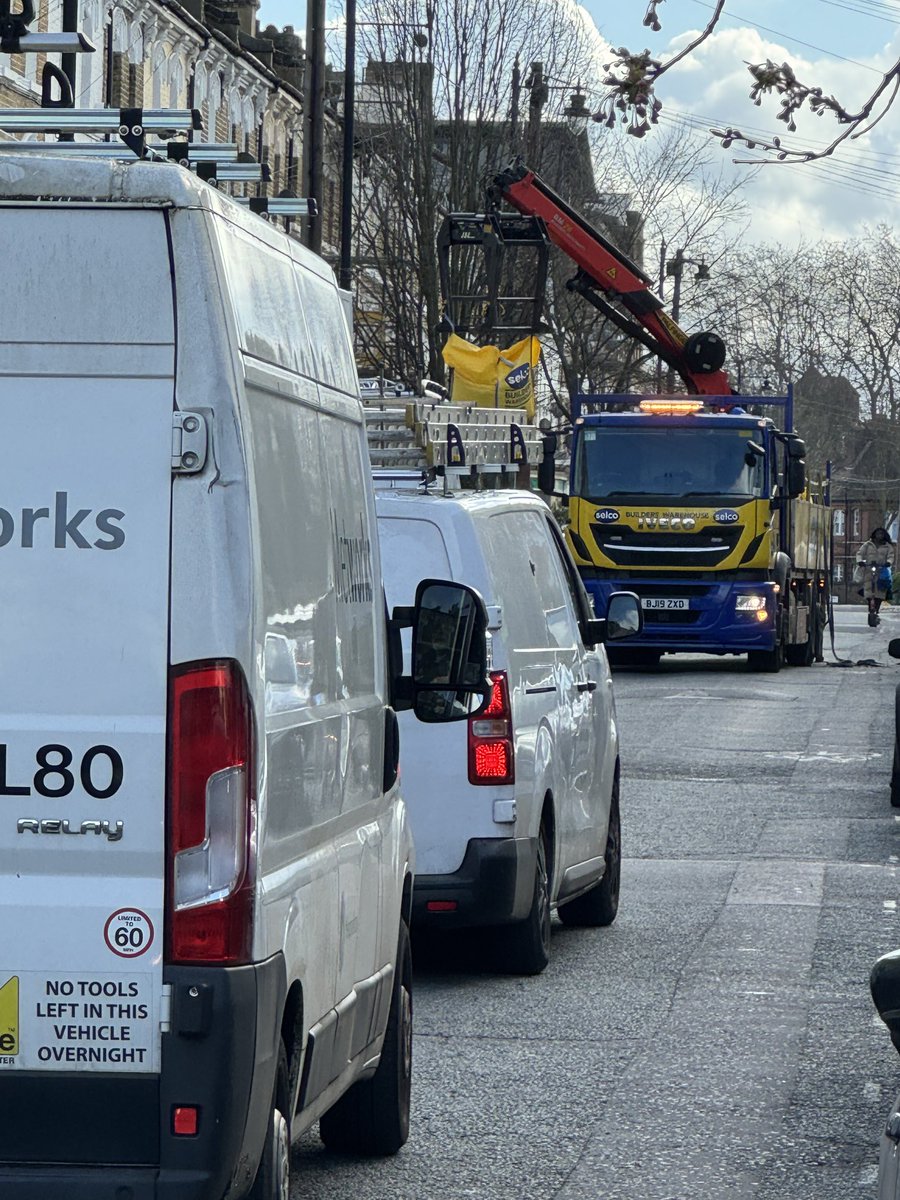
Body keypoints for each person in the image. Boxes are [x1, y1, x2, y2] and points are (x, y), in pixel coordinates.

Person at [856, 526, 895, 627]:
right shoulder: (868, 545)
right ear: (874, 534)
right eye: (878, 534)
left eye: (881, 534)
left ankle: (876, 610)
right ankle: (871, 609)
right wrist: (860, 561)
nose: (879, 536)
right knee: (869, 591)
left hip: (881, 571)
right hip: (869, 570)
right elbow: (860, 553)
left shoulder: (887, 546)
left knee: (880, 593)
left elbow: (891, 556)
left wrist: (888, 562)